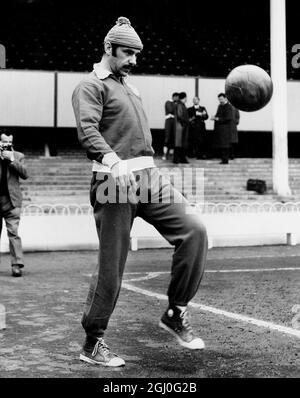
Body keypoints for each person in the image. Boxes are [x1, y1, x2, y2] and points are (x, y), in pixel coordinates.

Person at [72, 17, 208, 368]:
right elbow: (88, 130)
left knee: (195, 229)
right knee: (112, 266)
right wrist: (112, 160)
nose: (133, 59)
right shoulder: (90, 86)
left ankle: (175, 311)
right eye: (127, 53)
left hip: (148, 177)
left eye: (136, 53)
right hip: (111, 181)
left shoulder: (130, 88)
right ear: (108, 49)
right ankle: (93, 342)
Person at [0, 131, 28, 277]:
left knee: (13, 233)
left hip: (12, 201)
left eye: (8, 144)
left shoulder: (18, 156)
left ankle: (16, 265)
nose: (6, 147)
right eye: (3, 144)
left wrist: (11, 159)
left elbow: (25, 174)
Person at [211, 93, 234, 164]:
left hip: (225, 130)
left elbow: (228, 118)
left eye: (221, 99)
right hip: (220, 130)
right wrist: (214, 117)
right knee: (222, 145)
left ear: (225, 98)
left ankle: (225, 160)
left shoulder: (229, 107)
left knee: (225, 145)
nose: (220, 100)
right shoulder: (220, 106)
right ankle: (223, 159)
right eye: (219, 99)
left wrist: (217, 119)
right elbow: (218, 115)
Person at [173, 92, 189, 164]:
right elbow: (180, 115)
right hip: (180, 126)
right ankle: (178, 159)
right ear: (184, 98)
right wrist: (186, 121)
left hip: (180, 126)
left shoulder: (179, 104)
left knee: (180, 143)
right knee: (179, 143)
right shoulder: (180, 105)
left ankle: (179, 158)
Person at [162, 92, 179, 160]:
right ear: (174, 97)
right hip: (169, 121)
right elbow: (170, 110)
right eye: (177, 98)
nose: (178, 99)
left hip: (174, 121)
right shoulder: (168, 102)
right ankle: (165, 154)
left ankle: (171, 154)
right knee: (167, 137)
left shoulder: (176, 103)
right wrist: (175, 105)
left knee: (173, 138)